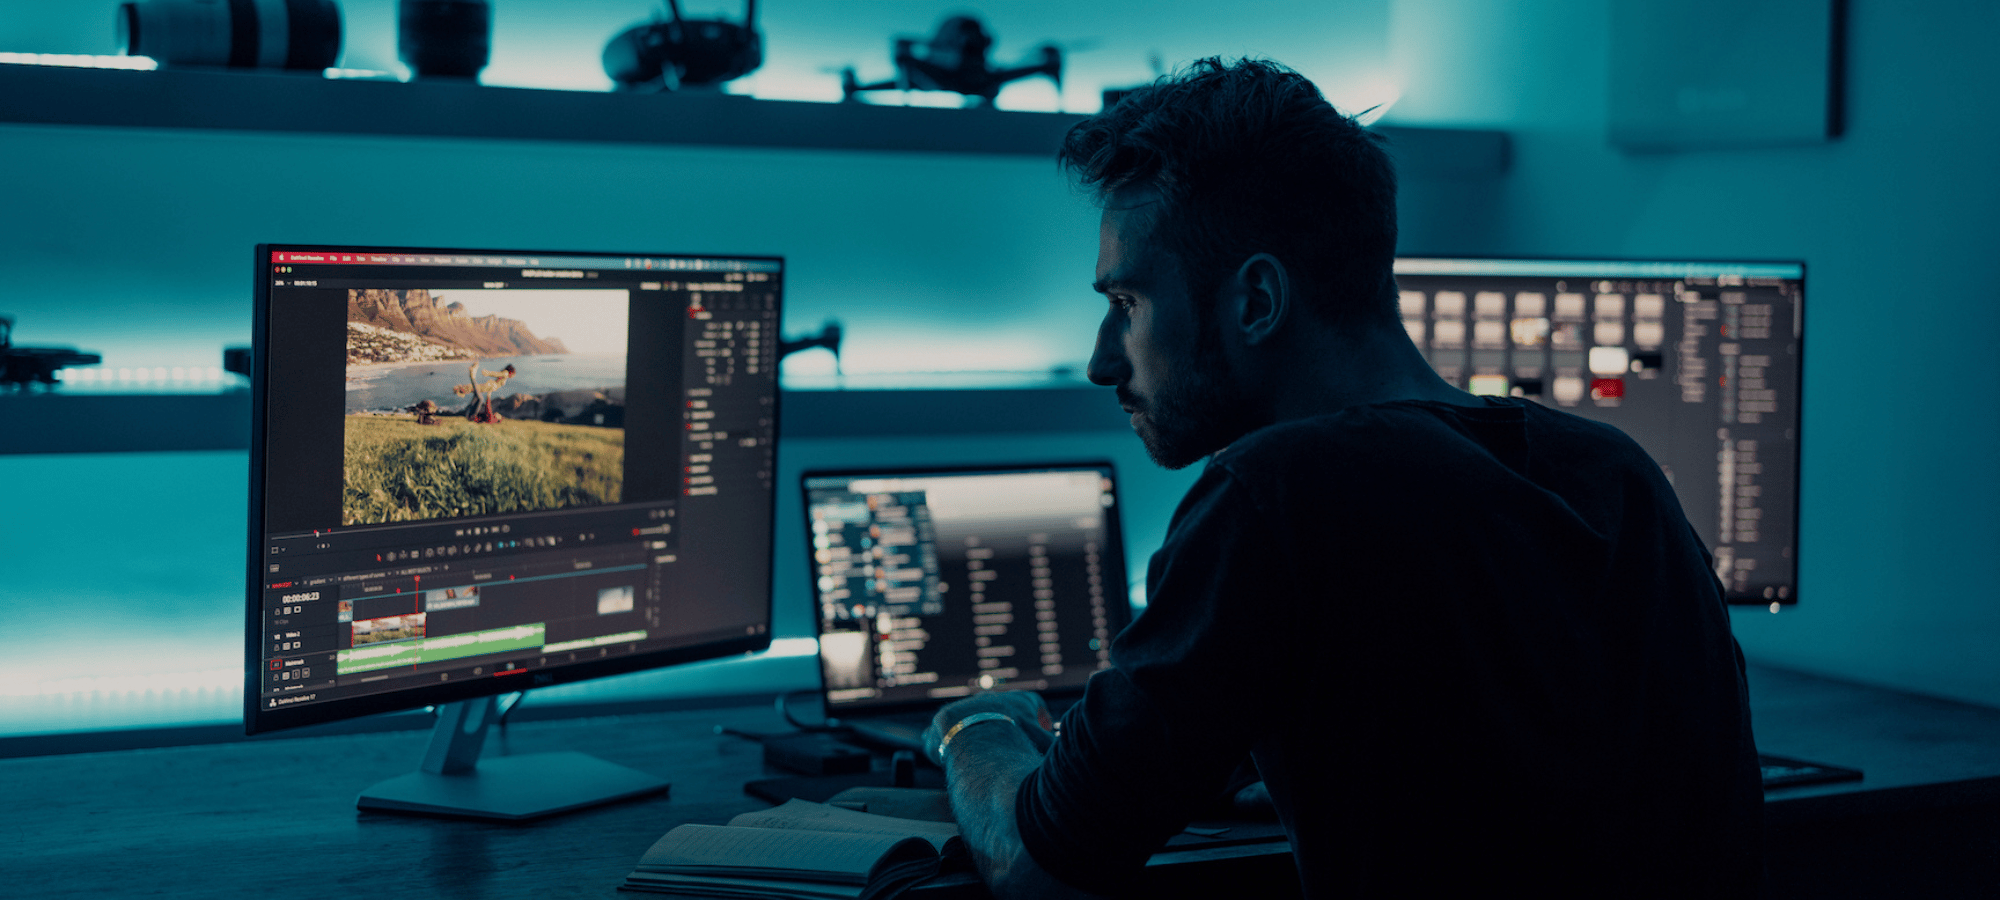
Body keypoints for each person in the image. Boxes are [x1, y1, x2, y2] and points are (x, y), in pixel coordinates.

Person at [920, 58, 1762, 899]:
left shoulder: (1275, 494)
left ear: (1256, 301)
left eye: (1129, 305)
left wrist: (980, 729)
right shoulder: (1616, 474)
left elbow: (1038, 869)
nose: (1106, 361)